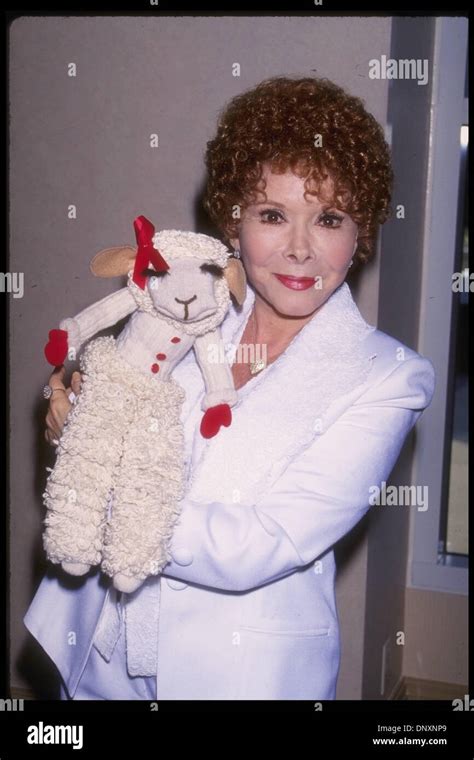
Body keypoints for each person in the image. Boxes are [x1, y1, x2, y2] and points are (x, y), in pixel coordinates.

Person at [24, 76, 435, 700]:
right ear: (234, 225)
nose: (299, 249)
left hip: (233, 677)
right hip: (95, 643)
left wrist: (97, 477)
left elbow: (266, 543)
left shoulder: (388, 377)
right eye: (273, 215)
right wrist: (77, 415)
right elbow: (121, 415)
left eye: (328, 218)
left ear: (362, 234)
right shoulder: (185, 308)